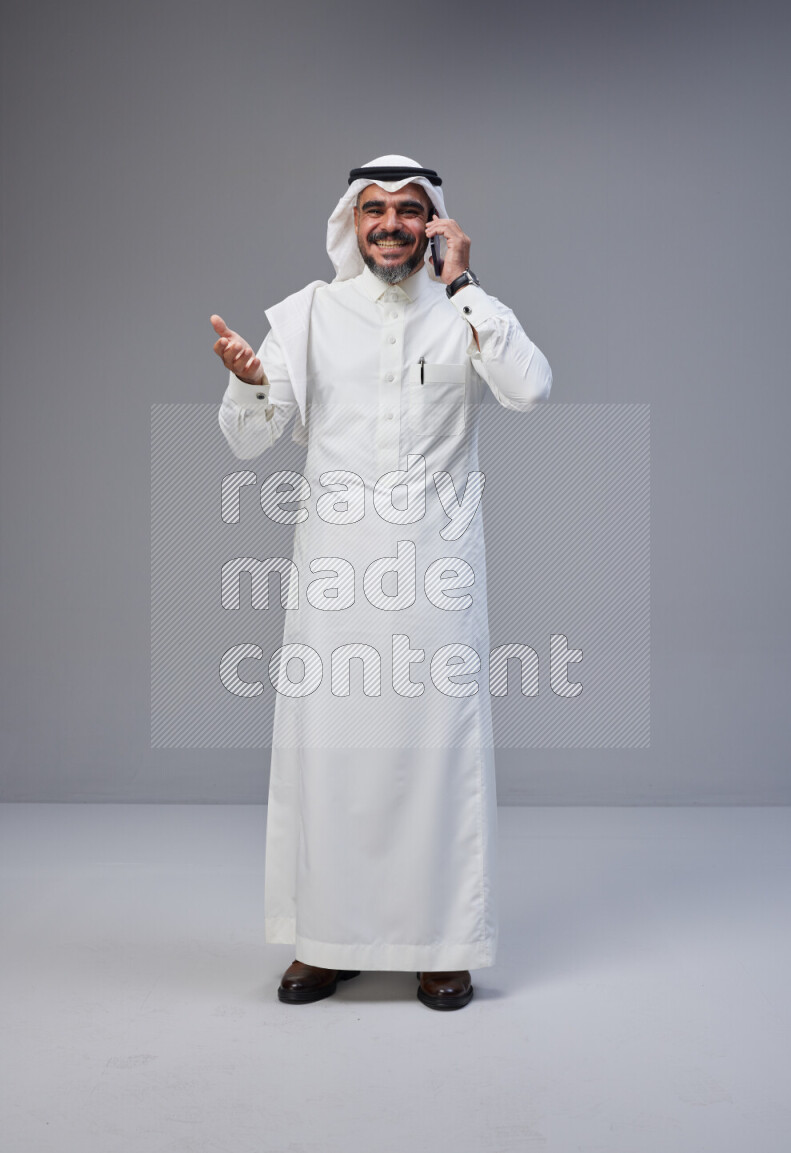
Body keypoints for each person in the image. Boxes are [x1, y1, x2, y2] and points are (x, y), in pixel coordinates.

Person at [212, 154, 552, 1010]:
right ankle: (327, 942)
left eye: (408, 209)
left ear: (433, 222)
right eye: (375, 210)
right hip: (334, 576)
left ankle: (443, 946)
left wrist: (464, 281)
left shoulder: (465, 313)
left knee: (437, 757)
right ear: (352, 223)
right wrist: (249, 383)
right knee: (332, 759)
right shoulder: (309, 314)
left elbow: (530, 389)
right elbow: (250, 438)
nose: (391, 224)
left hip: (436, 572)